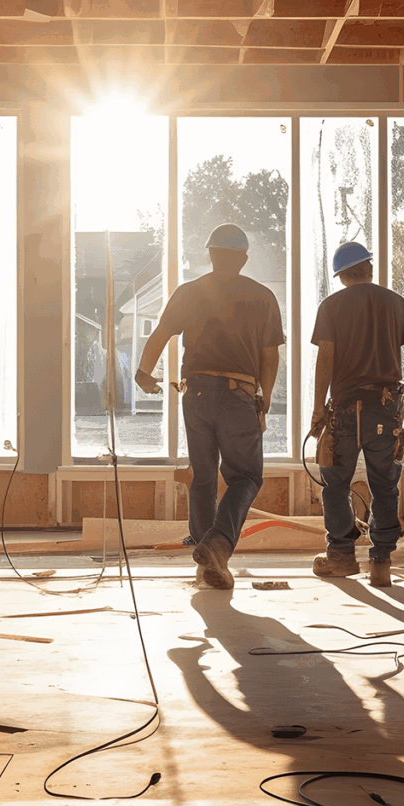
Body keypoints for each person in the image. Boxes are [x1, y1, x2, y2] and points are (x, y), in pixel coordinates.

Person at [134, 223, 284, 589]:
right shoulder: (262, 297)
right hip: (238, 395)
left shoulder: (189, 293)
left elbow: (160, 334)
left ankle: (206, 562)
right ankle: (217, 546)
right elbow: (270, 357)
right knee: (246, 476)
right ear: (244, 258)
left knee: (203, 477)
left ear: (211, 254)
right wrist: (262, 401)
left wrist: (143, 374)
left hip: (196, 393)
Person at [309, 241, 404, 587]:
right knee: (384, 485)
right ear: (369, 269)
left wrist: (319, 409)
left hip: (345, 410)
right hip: (385, 409)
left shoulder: (331, 306)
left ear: (343, 275)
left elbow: (325, 359)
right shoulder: (397, 304)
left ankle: (342, 556)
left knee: (335, 485)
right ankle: (381, 563)